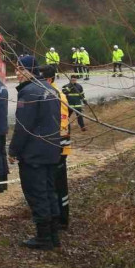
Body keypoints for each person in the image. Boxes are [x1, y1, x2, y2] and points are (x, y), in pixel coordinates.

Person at [9, 60, 63, 250]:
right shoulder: (50, 89)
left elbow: (23, 127)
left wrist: (13, 150)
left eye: (20, 69)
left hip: (34, 153)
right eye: (16, 69)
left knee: (37, 194)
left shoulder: (29, 92)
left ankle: (44, 237)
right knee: (50, 192)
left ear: (30, 70)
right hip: (51, 149)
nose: (17, 73)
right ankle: (54, 235)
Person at [53, 74, 72, 231]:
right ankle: (58, 216)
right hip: (57, 146)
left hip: (59, 147)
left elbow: (63, 121)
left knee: (60, 186)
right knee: (56, 186)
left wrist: (60, 146)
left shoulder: (57, 95)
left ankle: (62, 219)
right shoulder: (50, 92)